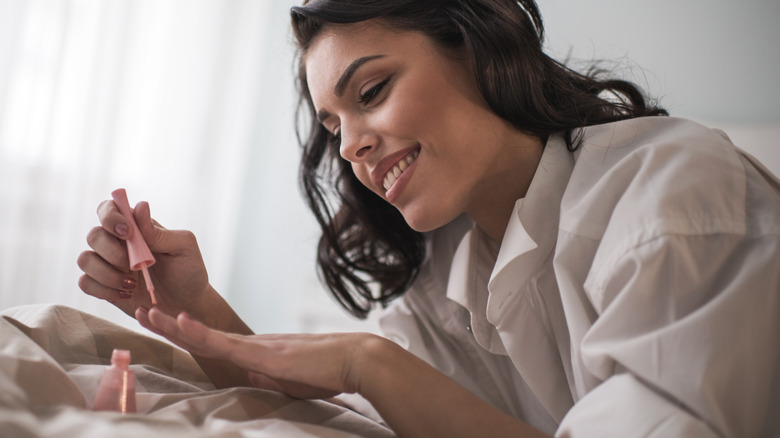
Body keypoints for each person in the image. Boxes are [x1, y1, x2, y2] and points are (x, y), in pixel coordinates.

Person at [77, 0, 780, 437]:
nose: (349, 144)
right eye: (333, 125)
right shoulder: (451, 273)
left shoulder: (674, 193)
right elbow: (345, 420)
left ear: (476, 45)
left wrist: (366, 361)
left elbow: (376, 378)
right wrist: (191, 302)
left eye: (372, 91)